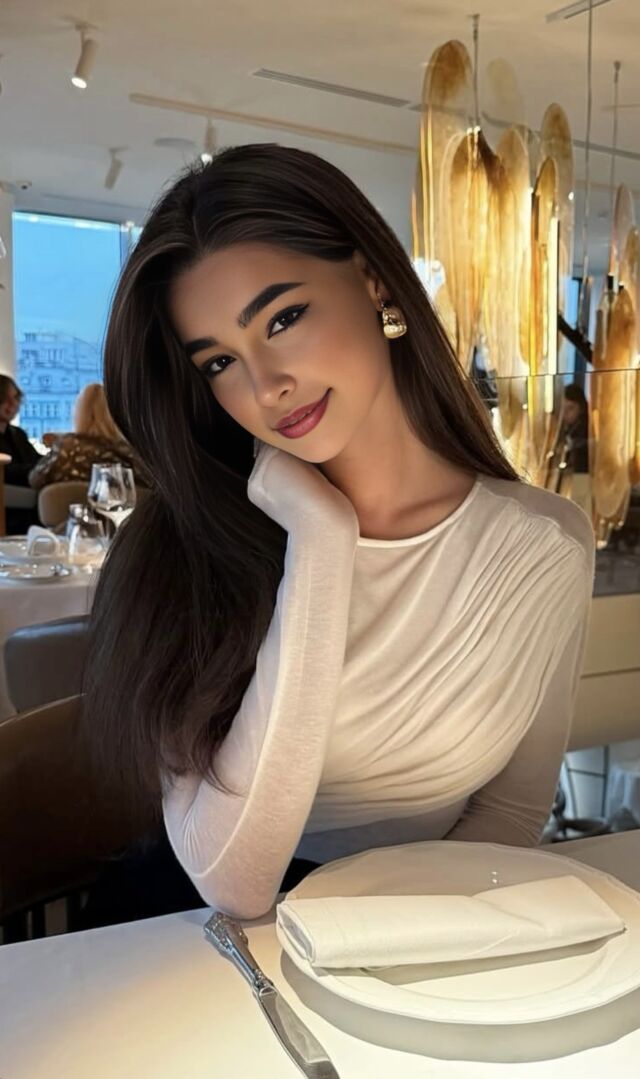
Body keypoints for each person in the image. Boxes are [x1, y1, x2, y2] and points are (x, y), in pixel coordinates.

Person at [82, 144, 595, 926]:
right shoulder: (181, 551)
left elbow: (512, 811)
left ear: (373, 278)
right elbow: (235, 881)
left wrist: (399, 944)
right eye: (219, 362)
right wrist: (320, 540)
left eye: (283, 319)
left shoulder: (544, 545)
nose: (265, 386)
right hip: (192, 943)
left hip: (415, 932)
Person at [28, 382, 145, 489]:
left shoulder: (66, 449)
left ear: (79, 414)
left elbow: (35, 479)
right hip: (120, 505)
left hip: (67, 505)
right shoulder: (131, 455)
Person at [0, 374, 42, 485]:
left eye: (15, 398)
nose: (13, 403)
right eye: (4, 398)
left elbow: (36, 459)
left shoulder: (18, 433)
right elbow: (7, 472)